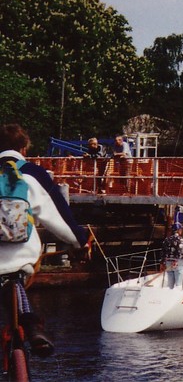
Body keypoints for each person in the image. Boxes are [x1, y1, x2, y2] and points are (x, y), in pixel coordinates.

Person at [0, 124, 90, 357]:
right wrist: (80, 242)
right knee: (16, 282)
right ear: (23, 149)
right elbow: (58, 216)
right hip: (20, 256)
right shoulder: (32, 173)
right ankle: (31, 327)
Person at [161, 223, 183, 289]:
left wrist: (162, 262)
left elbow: (163, 252)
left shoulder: (167, 239)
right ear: (179, 230)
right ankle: (178, 293)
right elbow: (180, 251)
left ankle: (170, 292)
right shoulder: (180, 240)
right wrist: (176, 260)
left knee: (170, 282)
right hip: (177, 262)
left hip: (168, 261)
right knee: (178, 282)